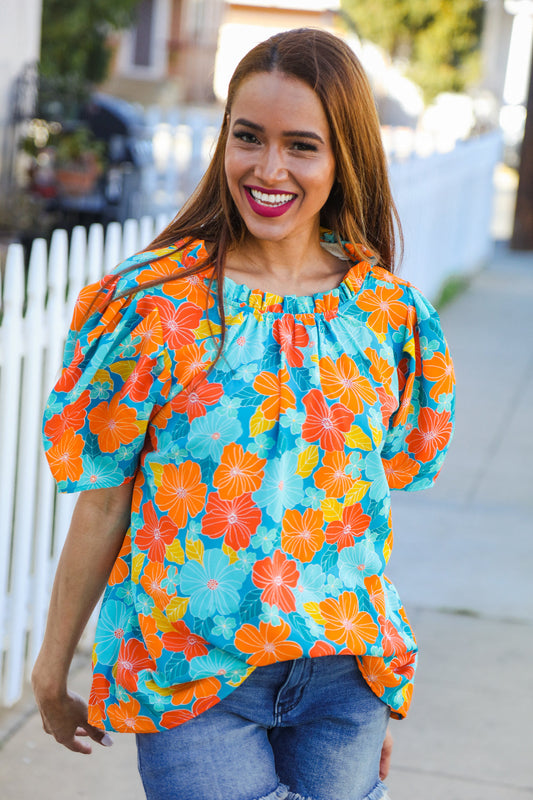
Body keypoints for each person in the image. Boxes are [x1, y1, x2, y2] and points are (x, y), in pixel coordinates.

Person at [32, 28, 455, 800]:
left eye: (301, 146)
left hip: (343, 682)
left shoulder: (387, 315)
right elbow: (104, 501)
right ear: (222, 138)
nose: (267, 170)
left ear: (342, 159)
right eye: (247, 138)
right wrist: (53, 665)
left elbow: (358, 513)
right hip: (191, 679)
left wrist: (376, 690)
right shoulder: (156, 305)